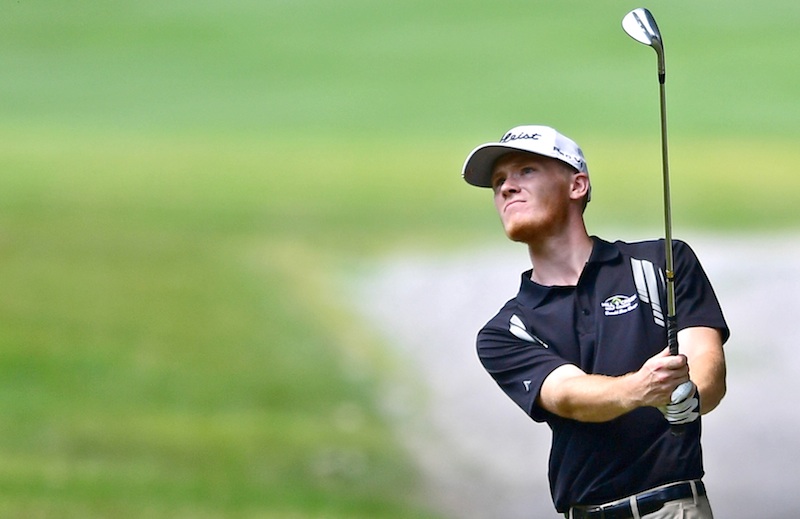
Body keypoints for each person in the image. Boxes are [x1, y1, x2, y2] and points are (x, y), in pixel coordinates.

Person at [461, 125, 729, 518]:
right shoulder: (506, 330)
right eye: (499, 181)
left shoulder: (663, 264)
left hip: (675, 508)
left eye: (526, 171)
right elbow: (568, 395)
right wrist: (643, 388)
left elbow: (705, 361)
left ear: (577, 185)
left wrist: (688, 396)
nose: (506, 188)